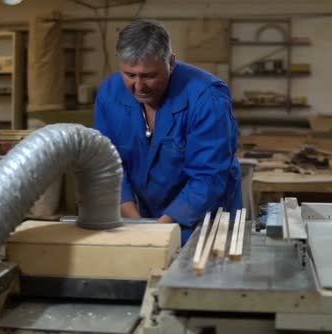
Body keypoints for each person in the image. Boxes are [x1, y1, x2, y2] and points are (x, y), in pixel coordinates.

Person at [94, 19, 242, 243]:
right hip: (147, 218)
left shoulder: (207, 97)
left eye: (149, 76)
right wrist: (137, 223)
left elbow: (208, 177)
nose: (139, 86)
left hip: (206, 220)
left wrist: (157, 231)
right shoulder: (109, 93)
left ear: (171, 63)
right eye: (130, 75)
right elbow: (108, 164)